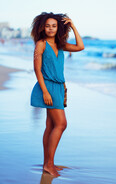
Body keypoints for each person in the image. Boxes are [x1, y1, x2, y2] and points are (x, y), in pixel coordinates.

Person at [30, 12, 85, 177]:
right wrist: (45, 92)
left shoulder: (61, 44)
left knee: (51, 126)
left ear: (58, 27)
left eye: (54, 26)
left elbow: (80, 47)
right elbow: (37, 70)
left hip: (60, 88)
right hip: (48, 88)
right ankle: (48, 164)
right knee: (61, 124)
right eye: (47, 26)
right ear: (42, 27)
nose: (50, 28)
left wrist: (73, 26)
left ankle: (49, 163)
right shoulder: (41, 44)